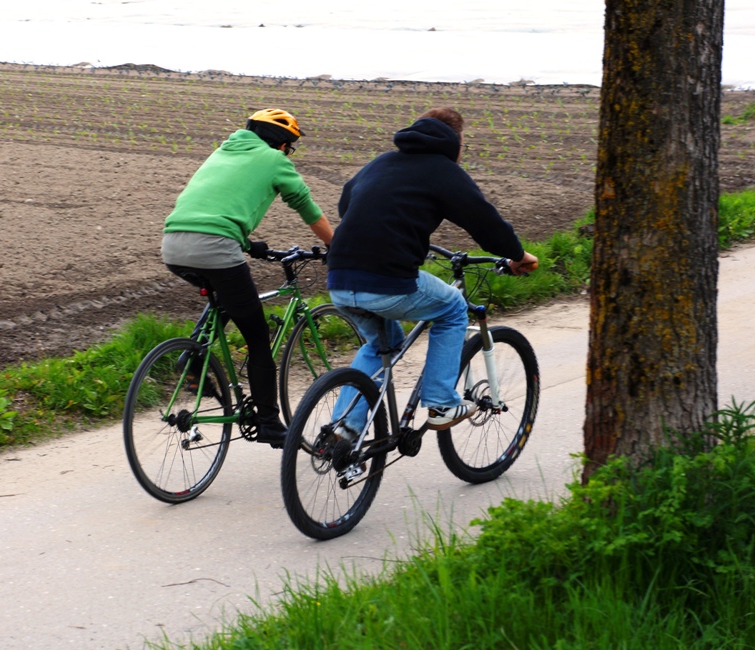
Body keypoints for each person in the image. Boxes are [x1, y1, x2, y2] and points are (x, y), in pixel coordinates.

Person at [327, 107, 538, 435]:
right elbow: (484, 223)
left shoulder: (381, 163)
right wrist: (517, 255)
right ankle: (441, 402)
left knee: (382, 344)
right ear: (456, 140)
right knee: (453, 308)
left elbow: (347, 204)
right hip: (387, 279)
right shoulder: (443, 171)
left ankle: (344, 431)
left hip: (339, 278)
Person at [162, 108, 333, 448]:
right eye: (289, 146)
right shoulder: (274, 160)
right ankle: (269, 423)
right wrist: (337, 245)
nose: (287, 153)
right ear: (282, 144)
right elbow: (306, 207)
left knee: (226, 301)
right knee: (257, 336)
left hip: (173, 245)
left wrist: (248, 243)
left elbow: (212, 207)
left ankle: (193, 355)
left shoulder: (223, 151)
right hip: (215, 247)